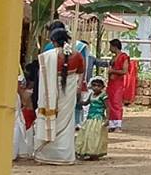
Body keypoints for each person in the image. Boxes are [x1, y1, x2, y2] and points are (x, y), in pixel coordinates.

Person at [32, 25, 83, 165]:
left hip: (52, 93)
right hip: (69, 92)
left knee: (52, 118)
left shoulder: (48, 57)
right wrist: (78, 87)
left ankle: (47, 153)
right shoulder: (77, 55)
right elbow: (80, 71)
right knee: (67, 121)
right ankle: (64, 155)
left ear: (53, 41)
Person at [105, 40, 137, 132]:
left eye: (111, 46)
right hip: (111, 82)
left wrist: (113, 71)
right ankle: (112, 124)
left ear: (115, 46)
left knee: (116, 102)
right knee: (110, 102)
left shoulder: (123, 57)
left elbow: (124, 71)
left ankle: (118, 125)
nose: (110, 49)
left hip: (118, 83)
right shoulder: (114, 57)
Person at [76, 76, 110, 159]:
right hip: (90, 118)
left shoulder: (103, 96)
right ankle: (86, 151)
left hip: (98, 118)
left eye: (98, 86)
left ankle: (94, 153)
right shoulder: (91, 94)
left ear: (102, 87)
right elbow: (85, 103)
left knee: (95, 136)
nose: (96, 87)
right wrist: (78, 97)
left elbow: (108, 107)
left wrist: (107, 119)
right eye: (94, 85)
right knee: (86, 134)